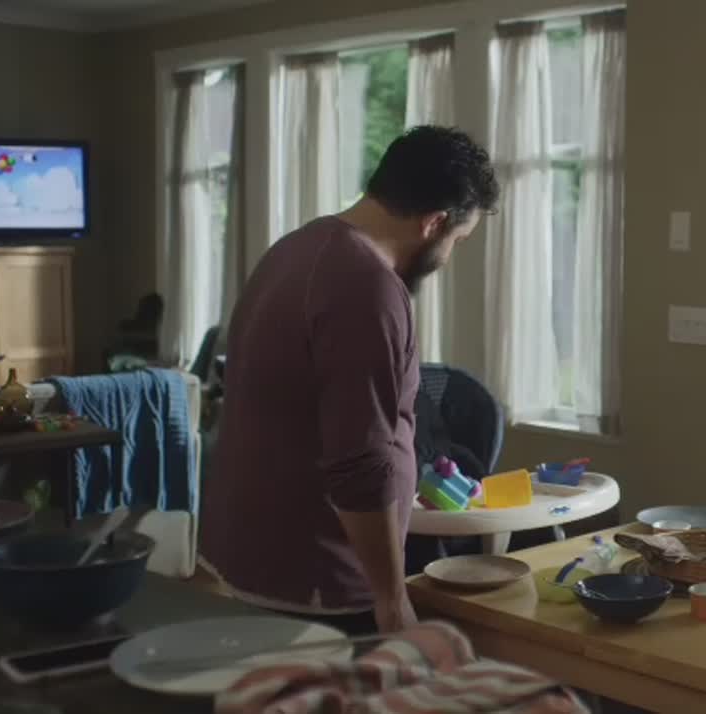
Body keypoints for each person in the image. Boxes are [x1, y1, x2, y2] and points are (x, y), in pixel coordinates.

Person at [200, 126, 499, 634]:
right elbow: (360, 462)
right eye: (458, 240)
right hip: (320, 580)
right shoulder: (367, 287)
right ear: (434, 222)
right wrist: (391, 597)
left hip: (255, 558)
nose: (449, 258)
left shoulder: (297, 248)